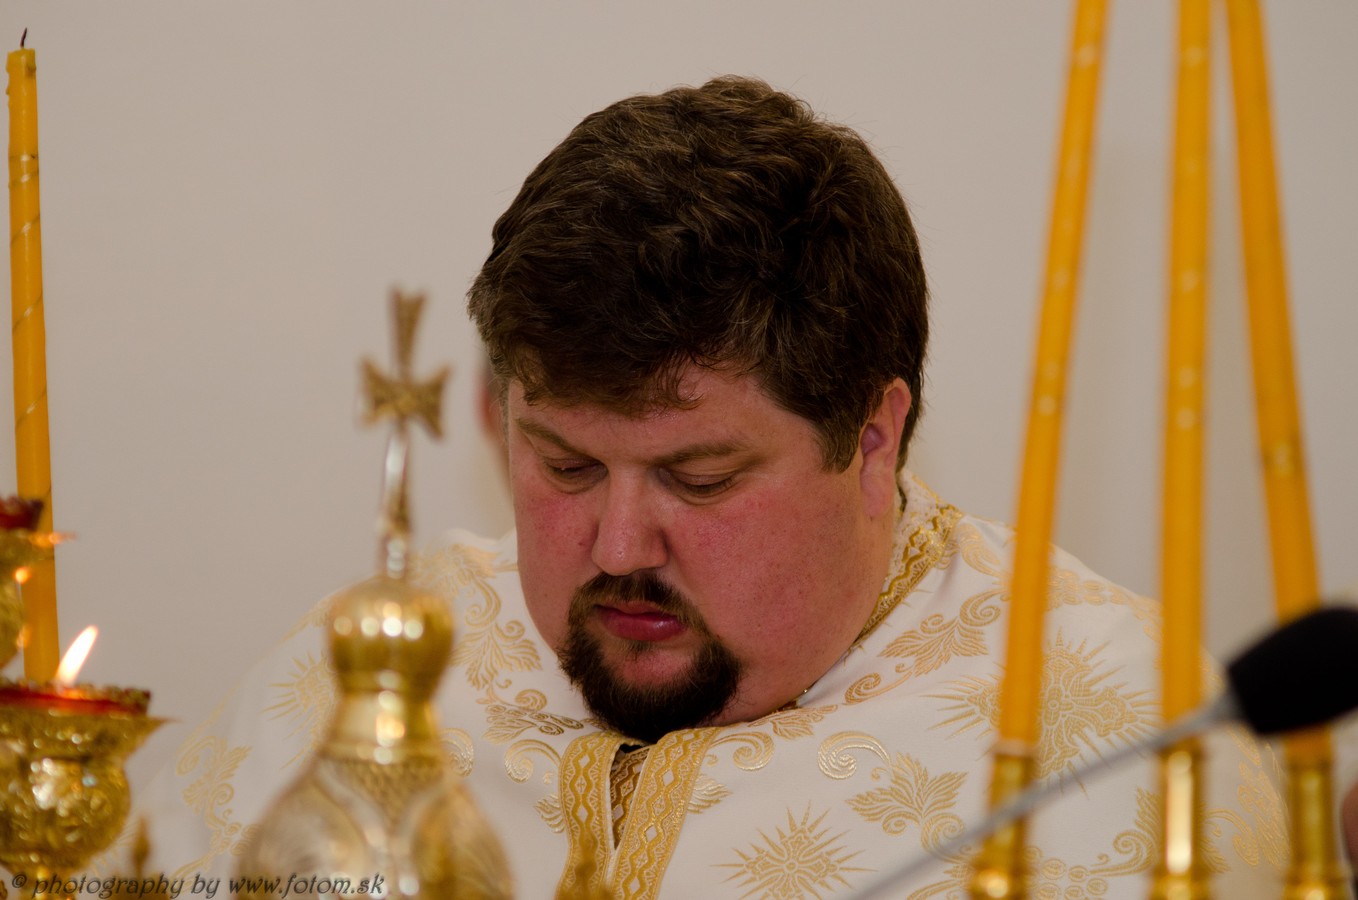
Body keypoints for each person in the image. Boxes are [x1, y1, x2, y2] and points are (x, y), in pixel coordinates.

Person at [116, 76, 1309, 897]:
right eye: (565, 465)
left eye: (697, 477)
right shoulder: (369, 673)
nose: (617, 546)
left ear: (873, 439)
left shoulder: (1114, 740)